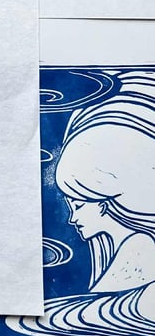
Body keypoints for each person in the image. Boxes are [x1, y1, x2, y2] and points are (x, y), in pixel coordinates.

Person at [55, 95, 155, 294]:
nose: (72, 219)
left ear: (102, 204)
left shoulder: (138, 248)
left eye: (78, 206)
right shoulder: (124, 248)